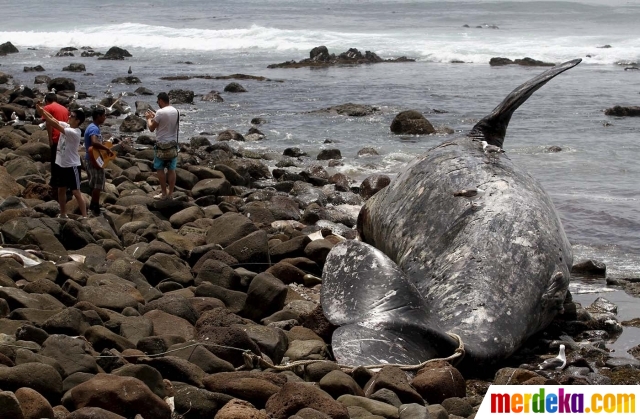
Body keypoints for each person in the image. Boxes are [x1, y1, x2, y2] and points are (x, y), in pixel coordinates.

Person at [36, 103, 87, 219]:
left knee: (76, 192)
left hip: (71, 165)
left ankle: (85, 217)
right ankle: (63, 214)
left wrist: (42, 112)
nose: (69, 117)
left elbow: (54, 124)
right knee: (61, 190)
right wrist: (43, 110)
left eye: (72, 116)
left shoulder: (75, 132)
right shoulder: (67, 126)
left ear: (78, 121)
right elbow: (54, 119)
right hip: (61, 163)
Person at [145, 92, 179, 200]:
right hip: (173, 145)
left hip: (161, 145)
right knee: (171, 169)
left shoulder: (160, 112)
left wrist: (148, 118)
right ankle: (170, 194)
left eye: (157, 101)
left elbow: (151, 128)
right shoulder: (176, 111)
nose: (158, 104)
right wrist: (156, 117)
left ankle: (164, 193)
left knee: (160, 169)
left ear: (160, 100)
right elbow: (168, 123)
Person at [40, 92, 69, 190]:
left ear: (47, 101)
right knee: (63, 160)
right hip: (65, 137)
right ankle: (64, 181)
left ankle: (54, 182)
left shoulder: (48, 107)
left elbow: (48, 123)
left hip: (56, 136)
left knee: (54, 160)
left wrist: (50, 138)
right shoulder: (64, 109)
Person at [84, 108, 108, 216]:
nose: (105, 117)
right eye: (104, 115)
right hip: (94, 160)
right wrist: (107, 149)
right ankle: (94, 207)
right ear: (98, 116)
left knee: (95, 184)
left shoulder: (92, 126)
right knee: (98, 184)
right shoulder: (94, 129)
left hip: (91, 158)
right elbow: (94, 142)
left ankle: (94, 206)